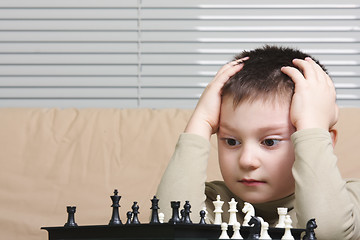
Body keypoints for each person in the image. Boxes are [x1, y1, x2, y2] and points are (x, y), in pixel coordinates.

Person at [156, 45, 360, 239]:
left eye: (270, 142)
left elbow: (325, 233)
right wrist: (201, 120)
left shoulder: (349, 202)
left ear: (323, 141)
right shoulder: (210, 201)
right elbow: (169, 228)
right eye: (231, 141)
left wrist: (313, 126)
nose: (247, 161)